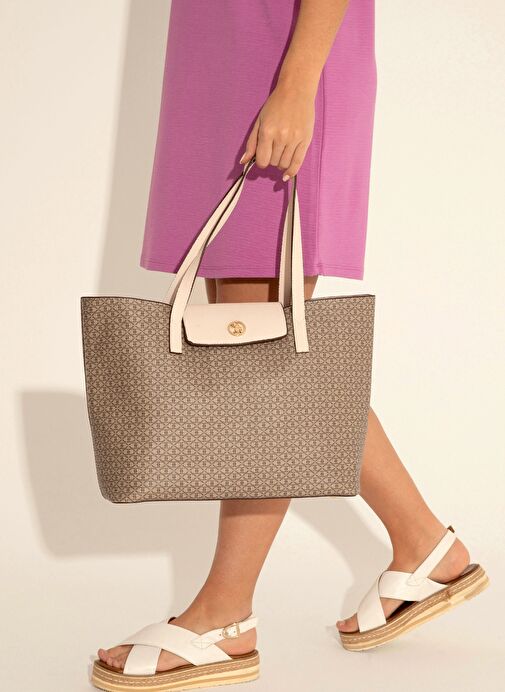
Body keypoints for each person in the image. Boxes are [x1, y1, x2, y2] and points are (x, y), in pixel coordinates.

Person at [93, 1, 488, 689]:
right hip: (221, 68)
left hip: (278, 64)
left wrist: (297, 83)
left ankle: (225, 614)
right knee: (261, 351)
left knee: (259, 358)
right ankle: (424, 545)